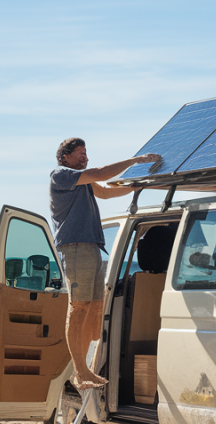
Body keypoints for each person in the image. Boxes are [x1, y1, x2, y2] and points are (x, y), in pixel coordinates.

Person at [50, 138, 161, 389]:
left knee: (94, 308)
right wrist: (136, 161)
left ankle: (87, 368)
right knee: (78, 307)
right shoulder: (61, 175)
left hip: (91, 247)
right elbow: (101, 174)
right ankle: (79, 372)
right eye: (80, 154)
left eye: (86, 153)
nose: (85, 157)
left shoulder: (84, 183)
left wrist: (135, 188)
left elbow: (106, 191)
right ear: (65, 157)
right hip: (75, 247)